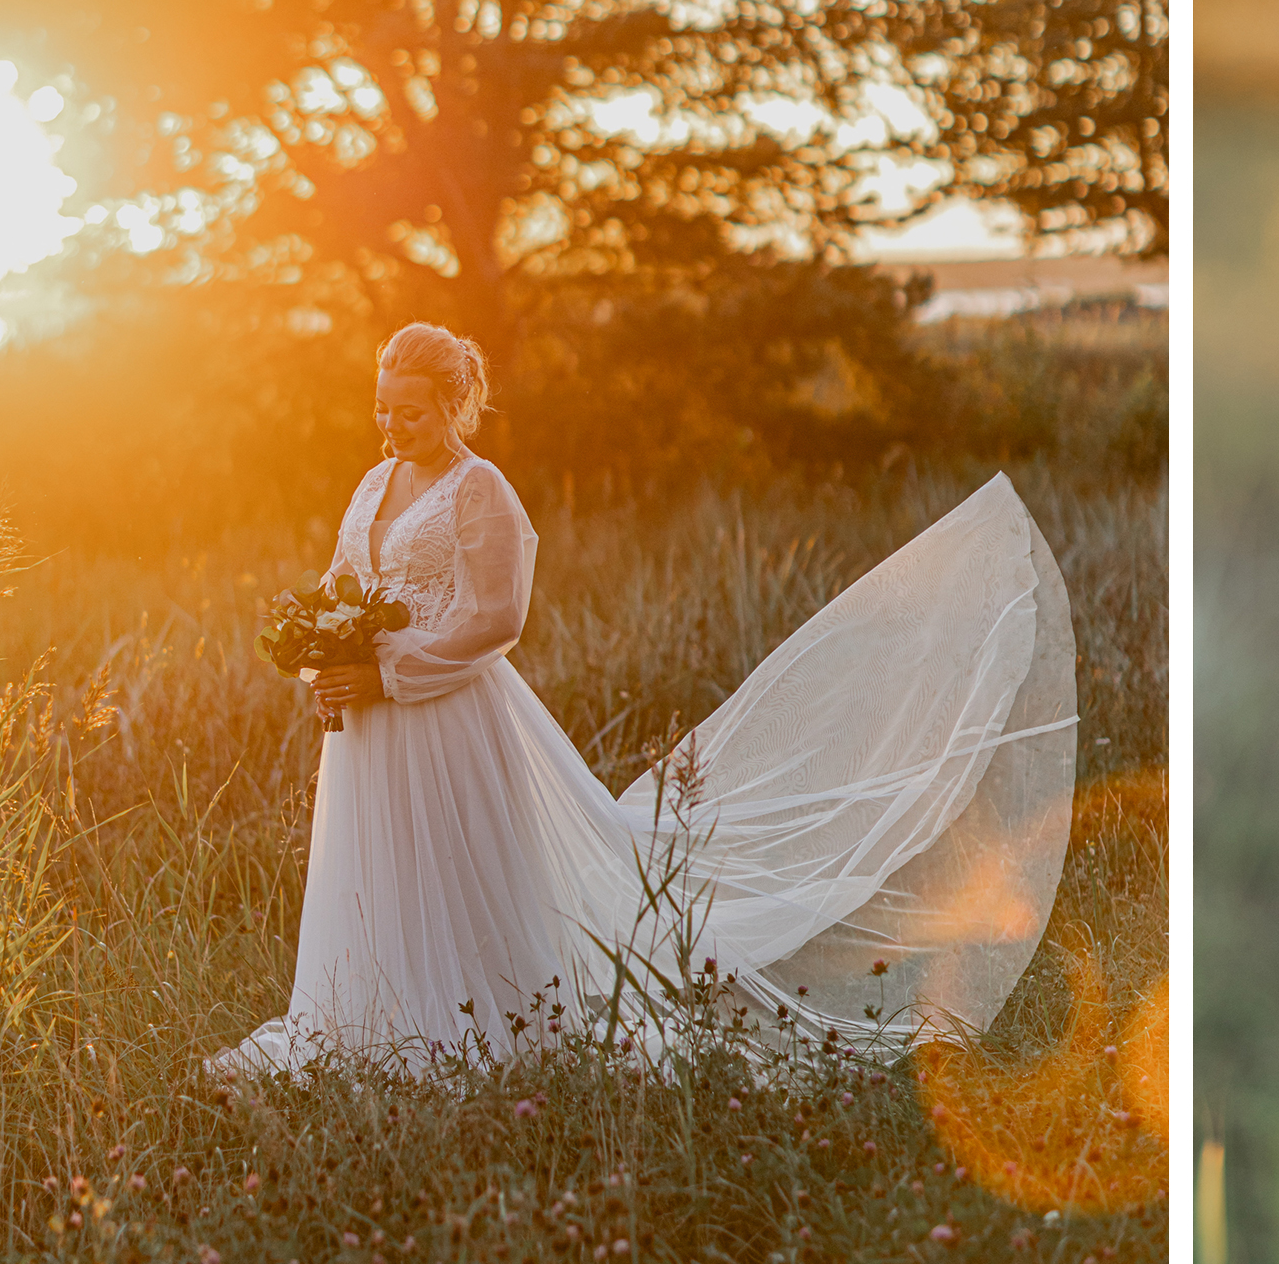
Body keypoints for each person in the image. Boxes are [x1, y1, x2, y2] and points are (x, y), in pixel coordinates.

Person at [209, 323, 1076, 1078]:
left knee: (453, 870)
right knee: (379, 871)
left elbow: (495, 621)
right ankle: (367, 1025)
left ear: (454, 405)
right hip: (366, 726)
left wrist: (391, 675)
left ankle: (469, 1022)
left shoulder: (481, 491)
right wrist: (322, 652)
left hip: (444, 717)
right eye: (383, 408)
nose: (393, 426)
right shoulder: (372, 482)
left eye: (411, 411)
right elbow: (341, 582)